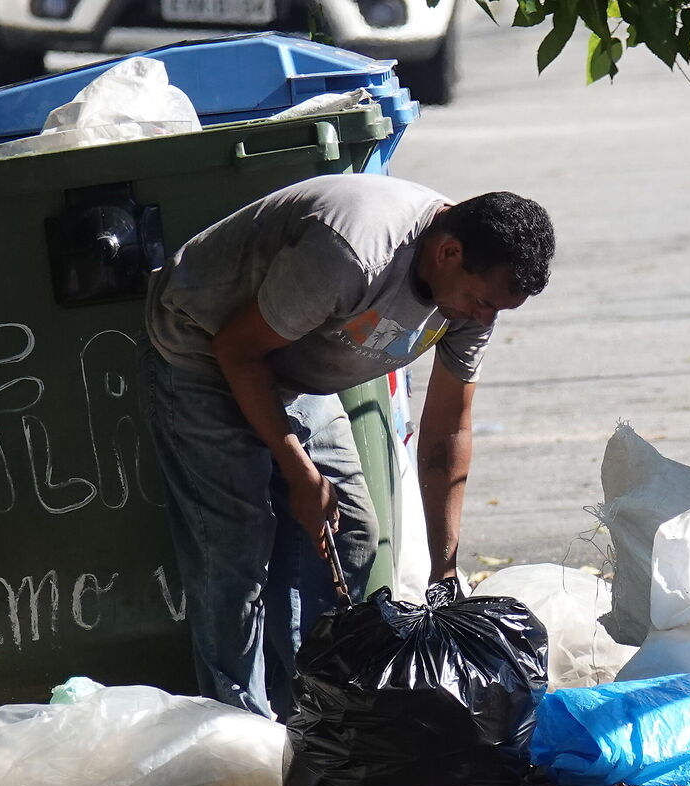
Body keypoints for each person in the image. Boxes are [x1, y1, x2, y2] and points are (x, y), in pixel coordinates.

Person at [141, 173, 554, 717]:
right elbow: (237, 350)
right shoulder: (354, 253)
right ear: (449, 252)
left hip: (294, 365)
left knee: (353, 532)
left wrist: (445, 566)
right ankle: (239, 730)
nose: (485, 319)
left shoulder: (471, 300)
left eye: (498, 309)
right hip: (202, 347)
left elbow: (447, 430)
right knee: (234, 551)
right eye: (482, 302)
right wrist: (298, 472)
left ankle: (315, 714)